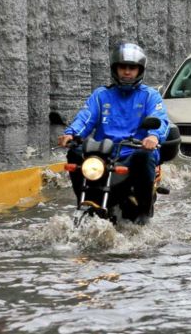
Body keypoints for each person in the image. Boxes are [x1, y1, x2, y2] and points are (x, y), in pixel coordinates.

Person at [58, 42, 169, 225]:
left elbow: (160, 119)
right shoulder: (101, 95)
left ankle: (143, 212)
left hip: (133, 153)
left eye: (132, 68)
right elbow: (86, 117)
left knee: (145, 157)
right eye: (122, 67)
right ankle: (84, 202)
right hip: (103, 155)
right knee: (75, 153)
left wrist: (153, 136)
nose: (127, 72)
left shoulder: (150, 96)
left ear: (139, 70)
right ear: (114, 69)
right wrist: (71, 134)